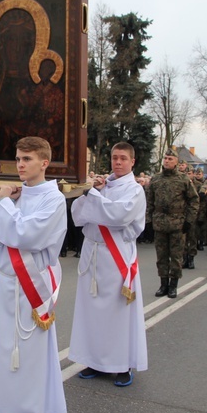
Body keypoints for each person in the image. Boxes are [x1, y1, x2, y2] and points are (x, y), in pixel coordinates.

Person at [0, 136, 67, 413]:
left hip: (29, 286)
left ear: (44, 162)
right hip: (1, 281)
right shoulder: (14, 195)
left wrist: (3, 205)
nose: (20, 165)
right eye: (17, 159)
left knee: (27, 354)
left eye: (26, 159)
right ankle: (1, 412)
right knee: (0, 350)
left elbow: (26, 235)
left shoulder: (52, 198)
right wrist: (0, 203)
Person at [69, 141, 148, 387]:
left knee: (118, 313)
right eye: (114, 158)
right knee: (92, 311)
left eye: (123, 158)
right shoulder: (102, 186)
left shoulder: (134, 190)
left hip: (116, 257)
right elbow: (78, 216)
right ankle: (95, 360)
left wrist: (94, 196)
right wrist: (89, 193)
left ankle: (122, 364)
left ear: (132, 161)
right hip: (93, 253)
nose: (118, 162)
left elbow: (118, 216)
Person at [146, 147, 199, 297]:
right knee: (161, 256)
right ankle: (163, 284)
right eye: (165, 158)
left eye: (170, 159)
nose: (167, 161)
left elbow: (194, 201)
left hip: (177, 224)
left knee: (176, 256)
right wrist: (148, 220)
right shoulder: (156, 179)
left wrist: (189, 220)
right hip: (160, 222)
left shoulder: (183, 179)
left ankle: (173, 285)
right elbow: (149, 201)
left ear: (176, 162)